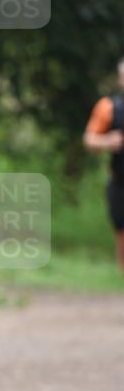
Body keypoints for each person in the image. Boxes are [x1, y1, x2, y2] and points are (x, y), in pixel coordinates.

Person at [83, 58, 124, 271]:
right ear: (120, 79)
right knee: (121, 228)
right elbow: (89, 139)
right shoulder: (109, 107)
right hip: (119, 180)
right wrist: (108, 141)